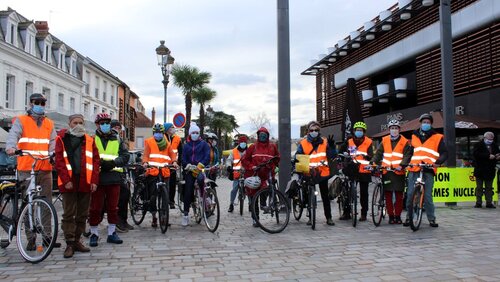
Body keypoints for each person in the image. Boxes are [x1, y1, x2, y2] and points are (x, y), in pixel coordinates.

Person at [5, 93, 61, 248]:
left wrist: (54, 154)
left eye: (43, 103)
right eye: (37, 102)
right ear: (30, 104)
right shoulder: (21, 121)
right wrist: (11, 147)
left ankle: (47, 236)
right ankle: (30, 238)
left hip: (44, 168)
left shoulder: (49, 123)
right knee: (27, 202)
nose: (40, 105)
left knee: (46, 204)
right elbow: (13, 136)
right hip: (26, 167)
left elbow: (53, 142)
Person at [54, 114, 100, 258]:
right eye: (75, 122)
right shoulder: (61, 139)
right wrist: (66, 180)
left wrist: (94, 181)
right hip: (69, 181)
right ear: (70, 124)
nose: (78, 125)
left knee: (82, 213)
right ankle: (69, 242)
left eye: (81, 122)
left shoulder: (89, 140)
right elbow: (59, 161)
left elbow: (95, 161)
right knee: (69, 213)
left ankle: (77, 240)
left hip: (85, 181)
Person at [88, 113, 130, 247]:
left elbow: (125, 156)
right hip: (98, 177)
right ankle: (94, 233)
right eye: (102, 122)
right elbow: (88, 157)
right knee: (95, 208)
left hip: (113, 176)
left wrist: (113, 163)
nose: (105, 125)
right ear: (97, 124)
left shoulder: (117, 138)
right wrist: (99, 163)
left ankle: (112, 233)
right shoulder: (92, 139)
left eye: (107, 122)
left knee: (113, 207)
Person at [404, 113, 448, 228]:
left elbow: (444, 153)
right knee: (410, 195)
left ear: (431, 124)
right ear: (420, 123)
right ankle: (409, 217)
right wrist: (404, 163)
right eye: (424, 122)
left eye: (428, 122)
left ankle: (431, 219)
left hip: (428, 169)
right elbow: (409, 152)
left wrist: (437, 162)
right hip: (414, 168)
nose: (426, 124)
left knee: (427, 196)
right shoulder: (414, 136)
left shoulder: (437, 137)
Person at [294, 121, 337, 226]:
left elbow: (332, 155)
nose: (314, 132)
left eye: (316, 130)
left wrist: (332, 146)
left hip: (322, 172)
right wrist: (296, 160)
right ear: (308, 131)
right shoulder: (303, 143)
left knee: (325, 196)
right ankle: (310, 217)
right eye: (312, 130)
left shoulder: (325, 142)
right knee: (309, 194)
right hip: (309, 172)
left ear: (319, 131)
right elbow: (298, 155)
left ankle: (329, 217)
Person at [370, 120, 412, 224]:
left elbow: (407, 155)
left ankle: (397, 216)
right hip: (387, 171)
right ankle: (391, 216)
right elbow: (378, 154)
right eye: (392, 128)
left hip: (399, 172)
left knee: (399, 195)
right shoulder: (384, 140)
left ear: (399, 129)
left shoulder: (405, 141)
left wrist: (402, 165)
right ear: (389, 130)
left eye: (396, 128)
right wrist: (372, 163)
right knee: (388, 195)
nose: (394, 130)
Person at [241, 127, 280, 227]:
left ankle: (263, 204)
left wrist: (275, 167)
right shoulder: (252, 147)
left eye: (265, 135)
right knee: (253, 197)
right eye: (261, 135)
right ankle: (255, 218)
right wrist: (251, 167)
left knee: (266, 189)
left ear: (267, 136)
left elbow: (277, 158)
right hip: (254, 175)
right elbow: (245, 160)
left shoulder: (272, 147)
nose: (263, 136)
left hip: (267, 175)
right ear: (258, 136)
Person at [142, 123, 178, 227]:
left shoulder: (167, 143)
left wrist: (174, 162)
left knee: (165, 196)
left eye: (160, 132)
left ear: (163, 133)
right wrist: (145, 163)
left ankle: (164, 217)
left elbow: (172, 154)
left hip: (164, 171)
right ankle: (154, 216)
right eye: (156, 132)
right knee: (153, 196)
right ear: (154, 133)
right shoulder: (149, 142)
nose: (158, 134)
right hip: (153, 171)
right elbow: (145, 155)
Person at [339, 121, 373, 222]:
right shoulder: (349, 141)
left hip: (364, 170)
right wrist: (341, 155)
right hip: (352, 168)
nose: (359, 132)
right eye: (357, 130)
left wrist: (369, 157)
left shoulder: (369, 141)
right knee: (348, 190)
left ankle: (364, 213)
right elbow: (341, 151)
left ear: (364, 131)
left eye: (361, 130)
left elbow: (371, 155)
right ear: (354, 131)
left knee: (364, 193)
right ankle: (346, 212)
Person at [180, 122, 210, 226]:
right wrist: (187, 165)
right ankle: (186, 215)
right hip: (190, 170)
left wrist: (201, 164)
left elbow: (207, 156)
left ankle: (204, 197)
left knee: (202, 180)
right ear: (189, 133)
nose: (195, 134)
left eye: (197, 132)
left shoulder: (204, 144)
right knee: (188, 190)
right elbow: (183, 158)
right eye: (193, 132)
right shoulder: (186, 146)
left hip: (200, 168)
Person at [110, 119, 134, 232]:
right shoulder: (107, 138)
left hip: (118, 171)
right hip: (107, 172)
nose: (117, 130)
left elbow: (125, 154)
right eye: (116, 127)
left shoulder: (119, 139)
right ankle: (117, 220)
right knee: (119, 195)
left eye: (119, 128)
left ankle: (122, 220)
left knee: (125, 193)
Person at [472, 131, 500, 208]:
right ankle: (478, 202)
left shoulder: (494, 145)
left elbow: (497, 153)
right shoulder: (478, 145)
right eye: (489, 139)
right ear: (484, 138)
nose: (490, 140)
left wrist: (497, 157)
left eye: (492, 139)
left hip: (490, 169)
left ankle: (489, 202)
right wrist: (488, 156)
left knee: (489, 187)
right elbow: (476, 154)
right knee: (479, 187)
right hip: (480, 169)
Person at [226, 135, 248, 213]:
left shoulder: (249, 151)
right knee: (234, 189)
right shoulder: (234, 151)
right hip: (236, 173)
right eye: (241, 142)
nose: (243, 143)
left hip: (247, 173)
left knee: (250, 189)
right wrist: (228, 166)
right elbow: (229, 160)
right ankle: (231, 204)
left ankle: (251, 204)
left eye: (244, 142)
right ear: (239, 143)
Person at [164, 122, 182, 209]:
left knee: (172, 184)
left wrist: (179, 163)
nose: (173, 129)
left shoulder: (177, 139)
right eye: (172, 127)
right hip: (163, 165)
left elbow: (181, 152)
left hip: (173, 165)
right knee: (163, 183)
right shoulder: (162, 138)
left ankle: (171, 201)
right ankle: (163, 199)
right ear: (167, 129)